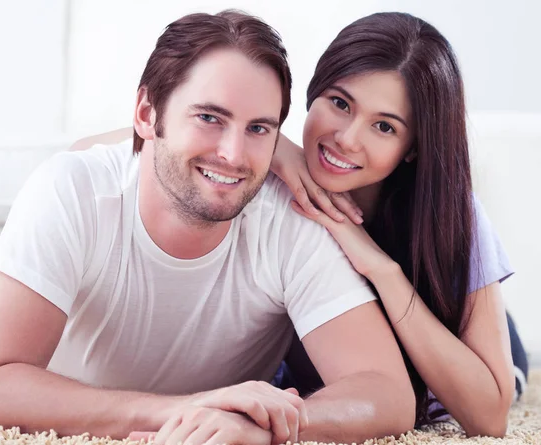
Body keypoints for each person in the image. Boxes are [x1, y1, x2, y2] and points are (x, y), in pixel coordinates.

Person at [0, 10, 415, 445]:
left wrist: (262, 426)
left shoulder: (290, 219)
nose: (233, 155)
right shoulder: (72, 191)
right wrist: (183, 411)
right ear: (147, 115)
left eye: (258, 129)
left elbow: (388, 395)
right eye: (209, 118)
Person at [78, 11, 529, 439]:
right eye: (339, 103)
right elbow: (92, 150)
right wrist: (273, 148)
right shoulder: (257, 169)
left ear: (413, 147)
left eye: (385, 127)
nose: (347, 139)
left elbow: (488, 416)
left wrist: (381, 270)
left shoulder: (450, 212)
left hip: (449, 337)